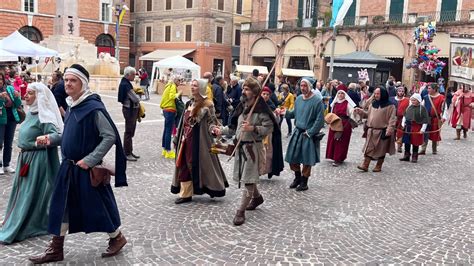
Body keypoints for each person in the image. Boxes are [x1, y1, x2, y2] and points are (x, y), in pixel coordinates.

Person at [29, 64, 128, 264]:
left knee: (98, 206)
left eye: (73, 80)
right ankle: (56, 248)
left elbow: (109, 136)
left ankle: (117, 237)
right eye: (66, 80)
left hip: (85, 168)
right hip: (68, 167)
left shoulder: (93, 107)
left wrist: (90, 160)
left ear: (82, 83)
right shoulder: (73, 105)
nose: (68, 84)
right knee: (61, 205)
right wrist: (51, 139)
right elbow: (68, 135)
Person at [0, 83, 63, 244]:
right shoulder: (31, 113)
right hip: (26, 159)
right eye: (26, 93)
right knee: (23, 193)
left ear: (39, 96)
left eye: (30, 93)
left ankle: (31, 223)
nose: (26, 95)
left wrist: (40, 141)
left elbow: (56, 136)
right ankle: (16, 218)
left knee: (31, 193)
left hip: (37, 161)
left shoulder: (45, 116)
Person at [213, 77, 279, 226]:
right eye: (243, 88)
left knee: (248, 179)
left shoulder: (261, 109)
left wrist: (253, 128)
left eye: (247, 89)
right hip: (240, 147)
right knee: (248, 177)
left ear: (255, 92)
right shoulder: (242, 106)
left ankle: (240, 211)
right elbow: (233, 127)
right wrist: (220, 131)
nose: (244, 91)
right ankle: (257, 198)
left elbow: (270, 128)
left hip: (253, 149)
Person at [171, 79, 229, 204]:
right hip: (185, 139)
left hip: (200, 140)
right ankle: (186, 194)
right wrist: (177, 138)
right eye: (192, 85)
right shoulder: (189, 104)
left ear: (201, 88)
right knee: (184, 164)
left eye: (195, 86)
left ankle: (211, 187)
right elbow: (182, 122)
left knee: (201, 164)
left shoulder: (208, 105)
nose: (192, 87)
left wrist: (214, 130)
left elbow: (212, 122)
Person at [284, 79, 325, 191]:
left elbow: (320, 119)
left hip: (308, 134)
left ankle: (304, 182)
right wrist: (284, 113)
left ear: (310, 86)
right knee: (292, 157)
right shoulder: (298, 100)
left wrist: (310, 132)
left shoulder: (317, 101)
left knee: (307, 160)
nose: (302, 88)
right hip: (298, 131)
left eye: (305, 86)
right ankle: (297, 178)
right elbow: (294, 113)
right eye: (301, 85)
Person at [354, 87, 397, 172]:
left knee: (381, 149)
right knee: (369, 148)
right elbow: (368, 115)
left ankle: (379, 165)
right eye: (375, 93)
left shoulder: (390, 106)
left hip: (382, 131)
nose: (376, 95)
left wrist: (389, 130)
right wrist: (361, 112)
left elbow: (392, 119)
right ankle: (365, 165)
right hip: (371, 130)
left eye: (378, 94)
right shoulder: (373, 104)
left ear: (383, 94)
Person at [325, 89, 356, 166]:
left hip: (344, 125)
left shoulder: (347, 103)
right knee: (334, 140)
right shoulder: (334, 103)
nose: (340, 95)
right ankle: (333, 156)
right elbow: (331, 113)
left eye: (342, 93)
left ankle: (338, 158)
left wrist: (354, 113)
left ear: (345, 95)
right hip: (335, 123)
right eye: (339, 93)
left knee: (341, 141)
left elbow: (352, 112)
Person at [0, 71, 22, 175]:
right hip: (1, 120)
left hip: (11, 118)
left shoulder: (9, 88)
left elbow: (17, 104)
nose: (0, 81)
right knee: (0, 143)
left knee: (9, 143)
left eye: (1, 79)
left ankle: (6, 164)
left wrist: (17, 97)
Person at [118, 66, 140, 161]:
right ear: (129, 75)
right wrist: (139, 95)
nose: (134, 77)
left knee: (130, 131)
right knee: (129, 132)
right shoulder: (125, 84)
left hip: (129, 109)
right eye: (133, 75)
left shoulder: (125, 83)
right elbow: (135, 98)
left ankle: (129, 151)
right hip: (130, 110)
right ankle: (127, 153)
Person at [261, 87, 284, 179]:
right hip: (259, 132)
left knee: (269, 152)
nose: (265, 96)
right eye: (264, 94)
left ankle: (270, 170)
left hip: (269, 133)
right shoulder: (256, 105)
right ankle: (260, 170)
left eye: (267, 94)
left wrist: (277, 115)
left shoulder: (272, 106)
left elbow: (277, 121)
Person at [399, 93, 430, 163]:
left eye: (414, 100)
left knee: (415, 143)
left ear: (418, 100)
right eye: (412, 100)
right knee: (407, 142)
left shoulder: (422, 109)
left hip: (417, 127)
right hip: (408, 127)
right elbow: (405, 116)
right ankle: (406, 155)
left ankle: (414, 156)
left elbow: (425, 120)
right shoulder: (409, 107)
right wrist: (403, 124)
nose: (413, 102)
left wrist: (422, 129)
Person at [160, 75, 182, 159]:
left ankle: (164, 149)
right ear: (175, 80)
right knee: (168, 131)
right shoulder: (172, 86)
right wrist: (179, 93)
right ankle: (168, 150)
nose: (180, 82)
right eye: (179, 80)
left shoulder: (168, 86)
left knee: (166, 130)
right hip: (170, 109)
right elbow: (172, 96)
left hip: (166, 109)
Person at [420, 84, 446, 155]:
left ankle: (434, 149)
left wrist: (443, 117)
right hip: (427, 118)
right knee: (425, 133)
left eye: (429, 88)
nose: (428, 90)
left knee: (435, 133)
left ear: (434, 89)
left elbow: (444, 108)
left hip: (435, 118)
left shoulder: (441, 98)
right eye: (428, 88)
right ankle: (423, 149)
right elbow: (422, 107)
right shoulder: (426, 97)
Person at [394, 87, 410, 153]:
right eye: (399, 91)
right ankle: (390, 146)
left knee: (400, 133)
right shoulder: (392, 99)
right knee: (392, 132)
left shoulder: (407, 100)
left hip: (402, 118)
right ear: (397, 91)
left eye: (402, 91)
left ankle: (399, 146)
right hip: (393, 118)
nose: (401, 92)